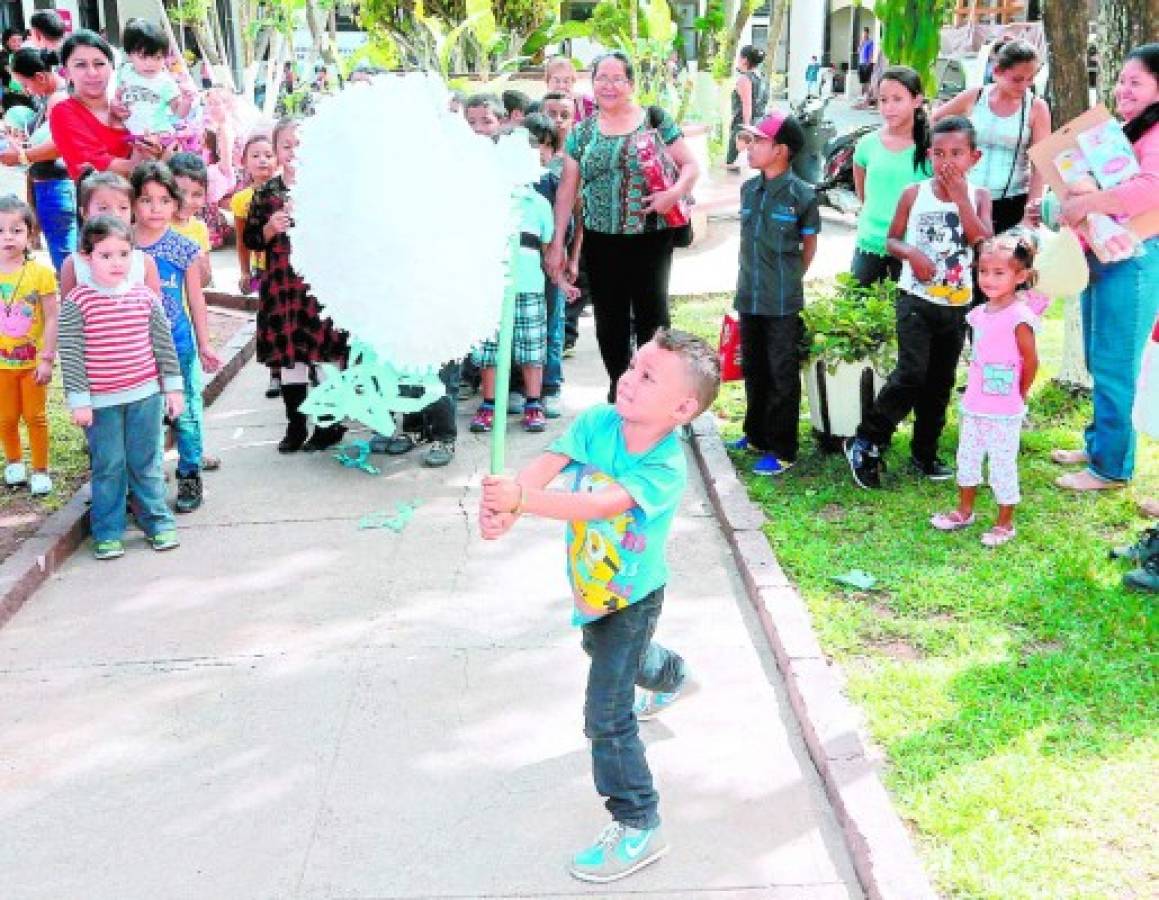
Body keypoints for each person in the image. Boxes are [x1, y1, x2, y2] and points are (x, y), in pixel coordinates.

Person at [478, 328, 720, 884]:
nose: (629, 379)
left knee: (606, 717)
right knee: (617, 656)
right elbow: (546, 466)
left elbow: (595, 505)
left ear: (683, 407)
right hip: (592, 593)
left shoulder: (663, 466)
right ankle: (674, 673)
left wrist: (523, 503)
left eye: (647, 377)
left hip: (633, 598)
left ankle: (639, 821)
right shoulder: (597, 424)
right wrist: (509, 506)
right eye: (632, 367)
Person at [845, 117, 992, 489]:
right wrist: (910, 252)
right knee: (911, 374)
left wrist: (961, 199)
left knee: (941, 382)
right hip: (915, 299)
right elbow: (892, 240)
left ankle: (924, 452)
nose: (948, 162)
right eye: (939, 153)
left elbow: (983, 243)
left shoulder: (979, 196)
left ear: (974, 157)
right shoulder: (914, 193)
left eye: (957, 154)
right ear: (928, 155)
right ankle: (867, 439)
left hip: (957, 304)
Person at [546, 51, 699, 401]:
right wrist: (557, 243)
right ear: (592, 82)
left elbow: (690, 166)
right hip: (601, 239)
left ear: (630, 84)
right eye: (602, 78)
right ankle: (620, 385)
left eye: (618, 79)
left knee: (652, 314)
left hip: (650, 236)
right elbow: (568, 188)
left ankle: (653, 388)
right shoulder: (581, 133)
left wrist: (671, 195)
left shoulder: (654, 121)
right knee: (608, 319)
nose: (609, 85)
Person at [1055, 42, 1159, 492]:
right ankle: (1101, 444)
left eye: (1135, 82)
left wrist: (1088, 201)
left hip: (1135, 260)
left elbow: (1149, 191)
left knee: (1117, 362)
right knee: (1100, 357)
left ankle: (1111, 468)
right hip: (1104, 254)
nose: (1123, 89)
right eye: (1121, 80)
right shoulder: (1127, 130)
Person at [59, 215, 184, 560]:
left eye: (124, 254)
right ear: (86, 258)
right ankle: (108, 530)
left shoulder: (145, 297)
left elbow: (164, 347)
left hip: (145, 397)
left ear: (135, 255)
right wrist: (79, 401)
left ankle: (157, 522)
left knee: (146, 462)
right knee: (109, 465)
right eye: (105, 255)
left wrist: (173, 390)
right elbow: (70, 353)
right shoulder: (78, 303)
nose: (117, 263)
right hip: (101, 404)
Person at [243, 118, 348, 453]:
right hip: (282, 286)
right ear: (275, 151)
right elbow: (251, 239)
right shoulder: (265, 193)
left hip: (318, 286)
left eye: (300, 145)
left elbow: (345, 234)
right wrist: (271, 229)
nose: (293, 152)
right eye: (286, 145)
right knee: (291, 359)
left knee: (326, 355)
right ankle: (295, 425)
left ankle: (330, 423)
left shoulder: (327, 188)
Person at [931, 233, 1039, 547]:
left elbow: (1030, 361)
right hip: (974, 405)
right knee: (967, 458)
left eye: (999, 273)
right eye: (983, 272)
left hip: (1004, 411)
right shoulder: (979, 314)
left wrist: (1019, 393)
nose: (988, 279)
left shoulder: (1019, 318)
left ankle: (1005, 523)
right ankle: (964, 511)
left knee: (1002, 464)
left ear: (1020, 276)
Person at [730, 112, 820, 476]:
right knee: (754, 368)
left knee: (781, 373)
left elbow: (808, 248)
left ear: (781, 150)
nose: (750, 147)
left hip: (782, 302)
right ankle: (755, 435)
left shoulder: (802, 195)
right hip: (748, 296)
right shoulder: (749, 188)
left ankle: (783, 449)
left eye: (759, 141)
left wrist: (788, 280)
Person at [131, 161, 221, 512]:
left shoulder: (183, 247)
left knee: (185, 414)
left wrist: (204, 343)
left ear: (175, 204)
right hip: (136, 350)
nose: (156, 209)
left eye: (164, 200)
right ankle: (148, 482)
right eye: (146, 200)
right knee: (145, 419)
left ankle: (189, 473)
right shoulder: (120, 243)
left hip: (177, 345)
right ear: (133, 202)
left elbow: (195, 299)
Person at [933, 40, 1050, 234]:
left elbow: (1041, 165)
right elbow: (936, 120)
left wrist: (1030, 214)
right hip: (966, 197)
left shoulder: (1036, 108)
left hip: (1012, 202)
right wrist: (947, 161)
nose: (1025, 86)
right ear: (997, 72)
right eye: (1017, 79)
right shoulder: (975, 97)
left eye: (1030, 79)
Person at [469, 174, 554, 435]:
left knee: (532, 347)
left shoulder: (539, 203)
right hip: (492, 287)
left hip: (528, 285)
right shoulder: (487, 199)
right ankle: (489, 404)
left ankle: (532, 403)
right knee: (489, 350)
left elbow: (547, 243)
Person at [851, 66, 933, 285]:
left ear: (917, 100)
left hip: (914, 250)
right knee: (858, 313)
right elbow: (864, 195)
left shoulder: (931, 148)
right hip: (869, 244)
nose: (889, 107)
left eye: (897, 99)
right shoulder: (867, 144)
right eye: (883, 100)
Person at [0, 197, 59, 497]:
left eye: (15, 229)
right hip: (2, 367)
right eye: (0, 230)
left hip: (33, 362)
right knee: (6, 417)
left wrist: (47, 358)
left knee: (35, 416)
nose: (7, 236)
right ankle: (14, 462)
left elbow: (51, 317)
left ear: (30, 233)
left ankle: (39, 469)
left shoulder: (41, 272)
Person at [50, 30, 164, 180]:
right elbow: (99, 167)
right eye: (80, 65)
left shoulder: (131, 105)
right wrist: (149, 161)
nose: (92, 72)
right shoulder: (64, 112)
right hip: (100, 201)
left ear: (112, 68)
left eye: (99, 64)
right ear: (66, 73)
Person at [4, 47, 74, 271]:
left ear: (41, 77)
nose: (27, 91)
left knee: (65, 259)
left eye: (26, 84)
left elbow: (61, 145)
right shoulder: (49, 98)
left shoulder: (58, 99)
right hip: (51, 186)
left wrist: (22, 155)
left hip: (58, 186)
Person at [116, 19, 194, 146]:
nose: (150, 64)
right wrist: (117, 103)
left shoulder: (165, 82)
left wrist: (186, 101)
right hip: (131, 134)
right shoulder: (124, 71)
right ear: (129, 54)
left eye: (157, 58)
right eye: (143, 57)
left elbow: (179, 113)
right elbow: (118, 94)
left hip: (158, 135)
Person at [167, 152, 213, 286]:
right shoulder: (157, 225)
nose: (187, 201)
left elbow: (204, 281)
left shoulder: (199, 228)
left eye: (197, 194)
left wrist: (199, 260)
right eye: (180, 192)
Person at [725, 45, 768, 172]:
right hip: (760, 121)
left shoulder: (745, 79)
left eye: (739, 57)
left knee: (731, 163)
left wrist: (747, 127)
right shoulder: (761, 78)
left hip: (744, 123)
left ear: (744, 60)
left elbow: (747, 104)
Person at [545, 55, 595, 123]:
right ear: (548, 82)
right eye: (557, 81)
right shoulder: (540, 107)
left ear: (573, 81)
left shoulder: (586, 103)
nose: (561, 86)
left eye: (566, 81)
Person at [856, 27, 876, 107]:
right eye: (863, 33)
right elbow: (858, 51)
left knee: (867, 81)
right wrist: (861, 44)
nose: (864, 34)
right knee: (861, 81)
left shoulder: (870, 42)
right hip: (861, 63)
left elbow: (871, 52)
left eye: (865, 33)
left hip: (867, 64)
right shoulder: (862, 42)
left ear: (867, 33)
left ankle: (866, 98)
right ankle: (862, 96)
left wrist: (869, 62)